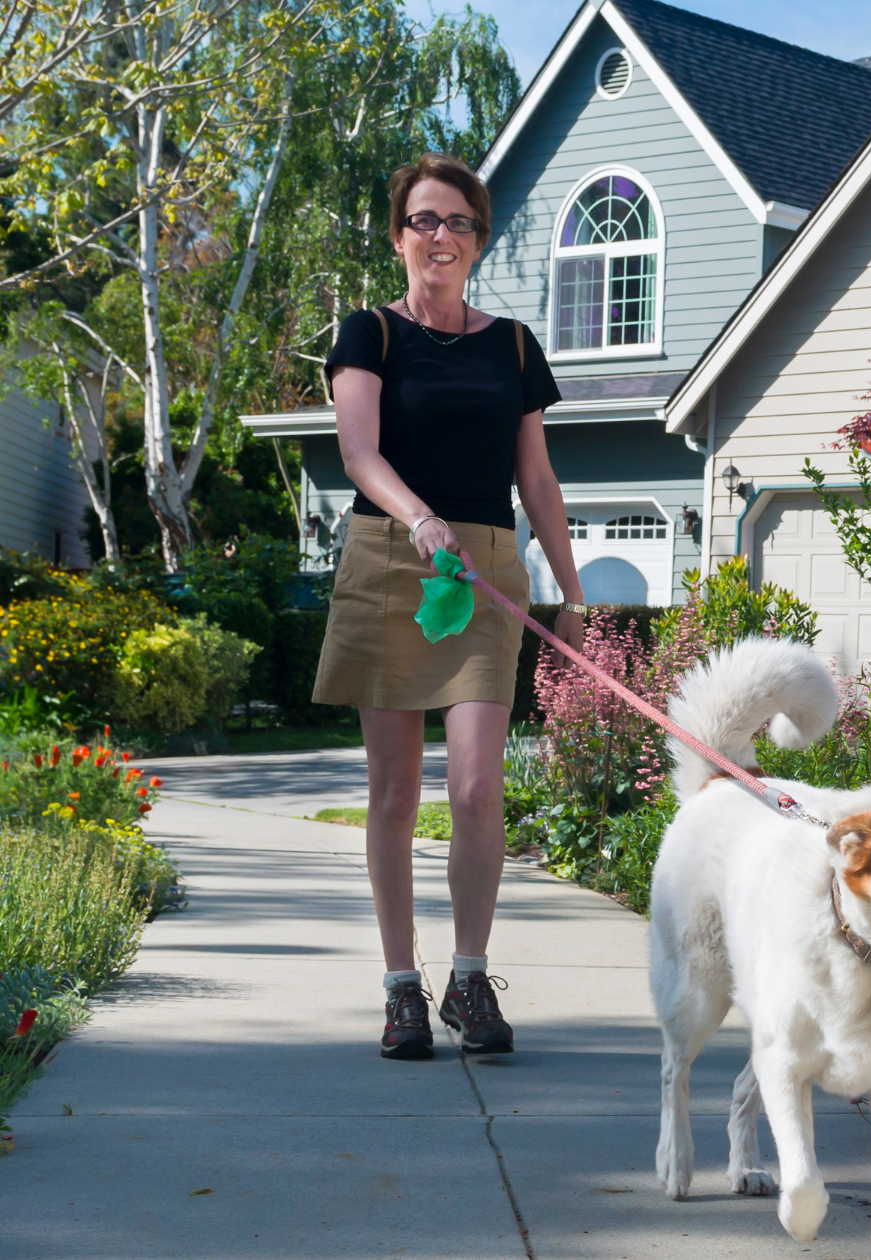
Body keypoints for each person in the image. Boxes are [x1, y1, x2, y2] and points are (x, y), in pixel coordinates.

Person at [314, 153, 585, 1060]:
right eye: (424, 220)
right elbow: (358, 453)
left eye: (458, 222)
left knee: (475, 786)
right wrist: (421, 519)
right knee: (392, 793)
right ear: (399, 237)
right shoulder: (368, 335)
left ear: (478, 239)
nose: (440, 236)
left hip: (485, 568)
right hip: (394, 560)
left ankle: (470, 978)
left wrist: (572, 590)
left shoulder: (512, 345)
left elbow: (537, 479)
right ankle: (402, 988)